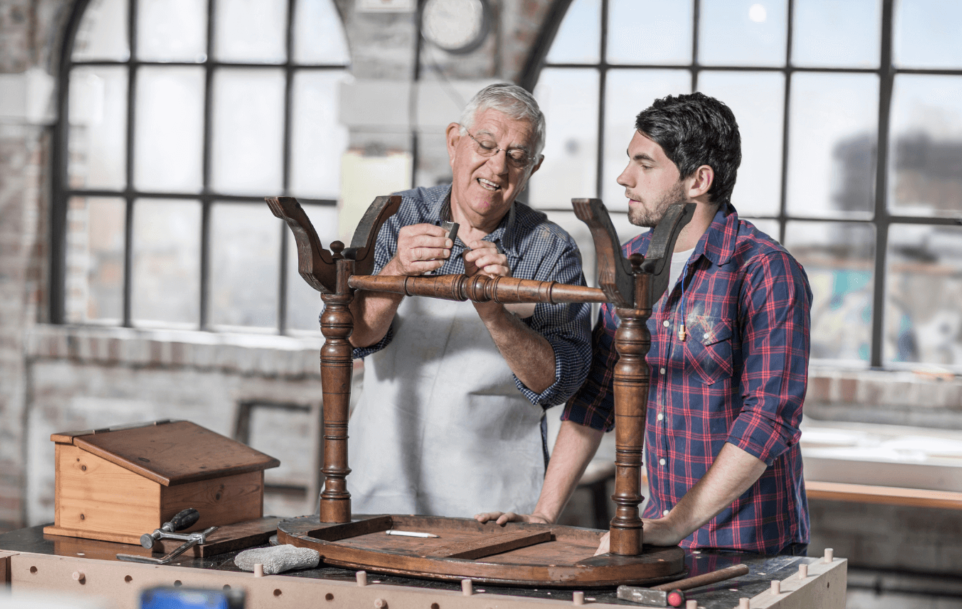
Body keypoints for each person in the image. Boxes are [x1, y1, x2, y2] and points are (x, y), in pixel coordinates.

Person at [477, 93, 812, 556]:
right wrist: (543, 516)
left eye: (645, 164)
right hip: (660, 536)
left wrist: (675, 524)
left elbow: (768, 419)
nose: (624, 177)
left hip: (751, 546)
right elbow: (596, 399)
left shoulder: (765, 270)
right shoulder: (631, 260)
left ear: (699, 180)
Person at [345, 83, 593, 517]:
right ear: (454, 141)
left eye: (517, 156)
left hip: (492, 496)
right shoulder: (396, 215)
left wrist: (495, 312)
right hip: (381, 479)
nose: (497, 167)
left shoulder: (551, 250)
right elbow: (353, 337)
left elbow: (559, 383)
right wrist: (396, 271)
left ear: (533, 168)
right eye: (486, 145)